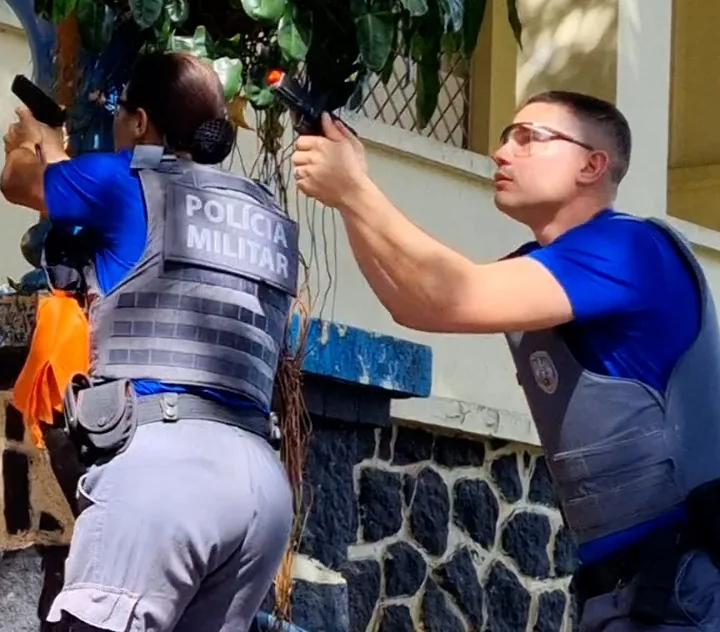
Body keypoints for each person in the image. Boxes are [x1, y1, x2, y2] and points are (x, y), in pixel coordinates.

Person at [291, 91, 720, 631]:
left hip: (684, 584)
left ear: (592, 165)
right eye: (503, 137)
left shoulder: (630, 250)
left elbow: (451, 293)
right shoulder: (543, 267)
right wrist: (349, 201)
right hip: (624, 587)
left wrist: (357, 188)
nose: (501, 153)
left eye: (529, 137)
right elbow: (415, 304)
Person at [0, 52, 297, 632]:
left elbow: (19, 184)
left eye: (118, 111)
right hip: (261, 488)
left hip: (166, 475)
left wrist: (26, 141)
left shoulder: (125, 180)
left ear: (140, 122)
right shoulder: (265, 213)